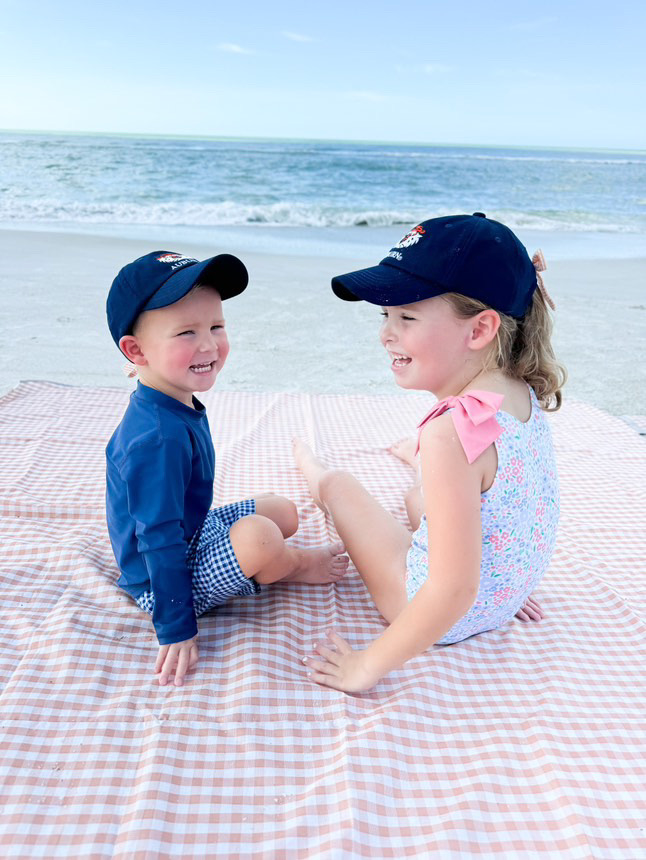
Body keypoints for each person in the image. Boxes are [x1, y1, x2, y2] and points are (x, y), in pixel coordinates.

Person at [295, 213, 566, 693]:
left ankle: (308, 464)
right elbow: (519, 505)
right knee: (423, 500)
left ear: (479, 330)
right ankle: (412, 465)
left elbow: (453, 589)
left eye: (407, 317)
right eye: (385, 316)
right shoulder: (519, 391)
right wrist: (506, 588)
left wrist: (366, 666)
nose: (386, 334)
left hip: (436, 611)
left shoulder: (449, 433)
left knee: (340, 485)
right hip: (502, 596)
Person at [105, 251, 348, 687]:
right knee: (261, 537)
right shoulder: (155, 438)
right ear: (136, 350)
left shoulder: (171, 397)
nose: (208, 345)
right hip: (160, 578)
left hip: (191, 533)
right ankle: (295, 566)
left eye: (216, 326)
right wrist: (175, 627)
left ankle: (275, 552)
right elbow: (157, 536)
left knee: (284, 511)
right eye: (186, 332)